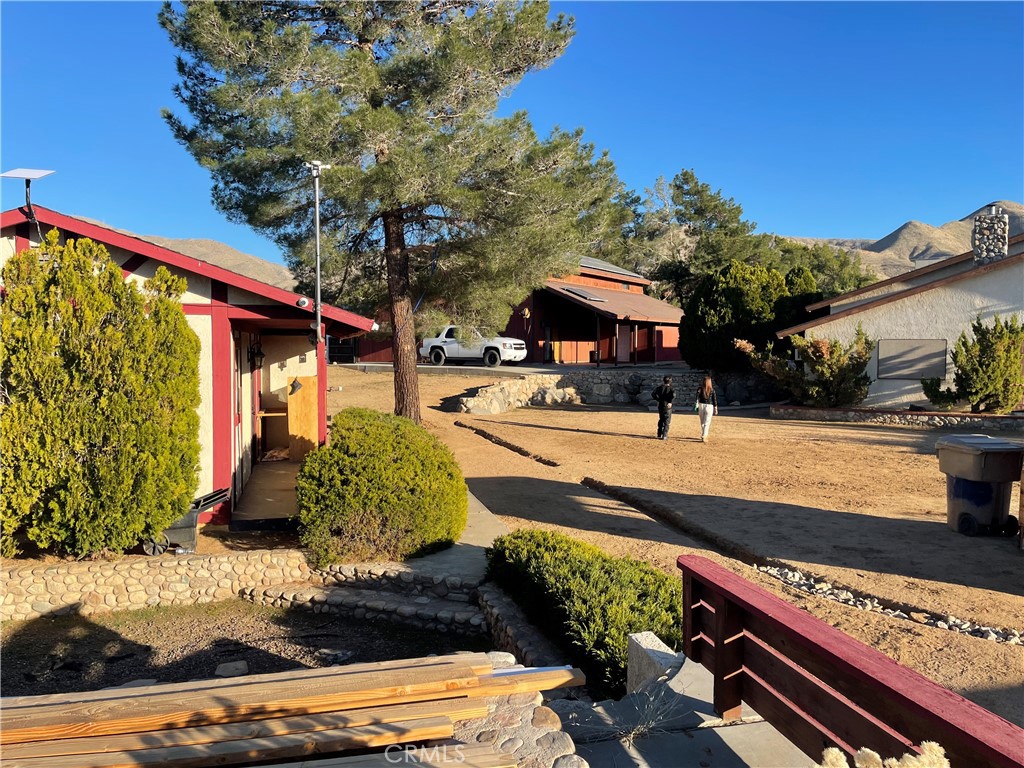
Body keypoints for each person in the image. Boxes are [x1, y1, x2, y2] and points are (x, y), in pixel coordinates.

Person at [695, 375, 718, 442]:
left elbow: (697, 397)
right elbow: (714, 400)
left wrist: (696, 404)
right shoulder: (712, 390)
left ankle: (703, 434)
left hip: (701, 405)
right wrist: (715, 408)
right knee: (707, 422)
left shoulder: (700, 389)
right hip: (709, 406)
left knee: (702, 422)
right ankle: (704, 435)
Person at [652, 375, 675, 440]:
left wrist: (658, 400)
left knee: (661, 419)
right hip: (667, 405)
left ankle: (659, 433)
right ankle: (664, 435)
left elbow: (653, 394)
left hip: (661, 404)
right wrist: (670, 402)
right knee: (667, 420)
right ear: (670, 381)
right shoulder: (671, 388)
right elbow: (673, 395)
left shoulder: (659, 388)